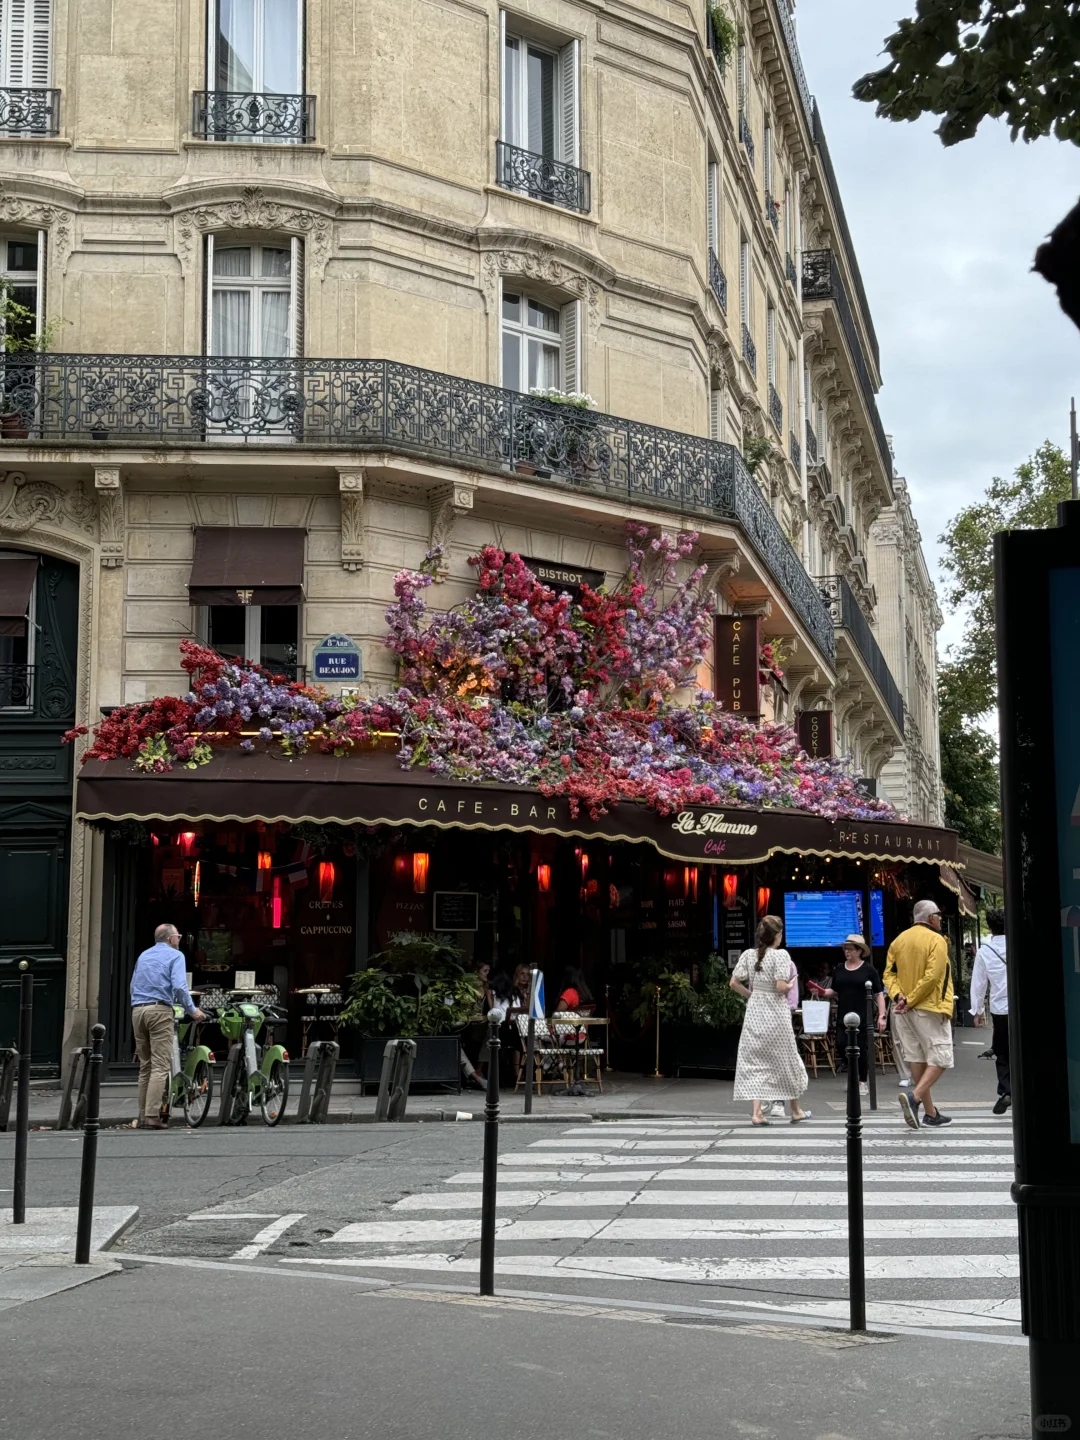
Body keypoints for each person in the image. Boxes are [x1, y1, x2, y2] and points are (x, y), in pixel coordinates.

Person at [729, 915, 810, 1126]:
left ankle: (757, 1113)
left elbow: (733, 983)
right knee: (787, 1059)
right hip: (776, 1015)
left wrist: (752, 996)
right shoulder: (781, 956)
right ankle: (795, 1110)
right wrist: (792, 985)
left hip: (755, 1014)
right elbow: (780, 987)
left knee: (756, 1063)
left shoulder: (749, 955)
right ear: (779, 935)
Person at [883, 899, 954, 1129]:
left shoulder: (898, 941)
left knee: (917, 1057)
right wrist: (911, 1000)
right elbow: (933, 977)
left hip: (902, 1011)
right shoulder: (937, 940)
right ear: (931, 917)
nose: (941, 920)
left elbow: (888, 975)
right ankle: (915, 1098)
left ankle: (931, 1113)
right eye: (939, 917)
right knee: (941, 1057)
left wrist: (898, 997)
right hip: (929, 1007)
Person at [130, 923, 204, 1130]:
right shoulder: (175, 956)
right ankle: (153, 1115)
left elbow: (133, 983)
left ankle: (143, 1115)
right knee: (161, 1066)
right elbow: (179, 986)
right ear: (171, 938)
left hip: (138, 1009)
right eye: (178, 936)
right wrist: (193, 1011)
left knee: (146, 1066)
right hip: (159, 1010)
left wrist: (137, 1005)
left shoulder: (144, 955)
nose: (179, 940)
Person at [821, 934, 885, 1098]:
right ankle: (853, 1075)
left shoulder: (868, 969)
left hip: (863, 1015)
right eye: (845, 949)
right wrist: (821, 992)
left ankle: (862, 1081)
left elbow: (879, 993)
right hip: (844, 1015)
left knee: (861, 1049)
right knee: (842, 1046)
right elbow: (834, 991)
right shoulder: (840, 968)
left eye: (849, 949)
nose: (846, 952)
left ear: (859, 951)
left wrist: (882, 1016)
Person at [970, 908, 1009, 1115]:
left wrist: (977, 1011)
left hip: (1000, 1008)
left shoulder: (986, 951)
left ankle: (1006, 1091)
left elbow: (978, 984)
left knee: (1002, 1052)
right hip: (1020, 1008)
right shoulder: (1017, 944)